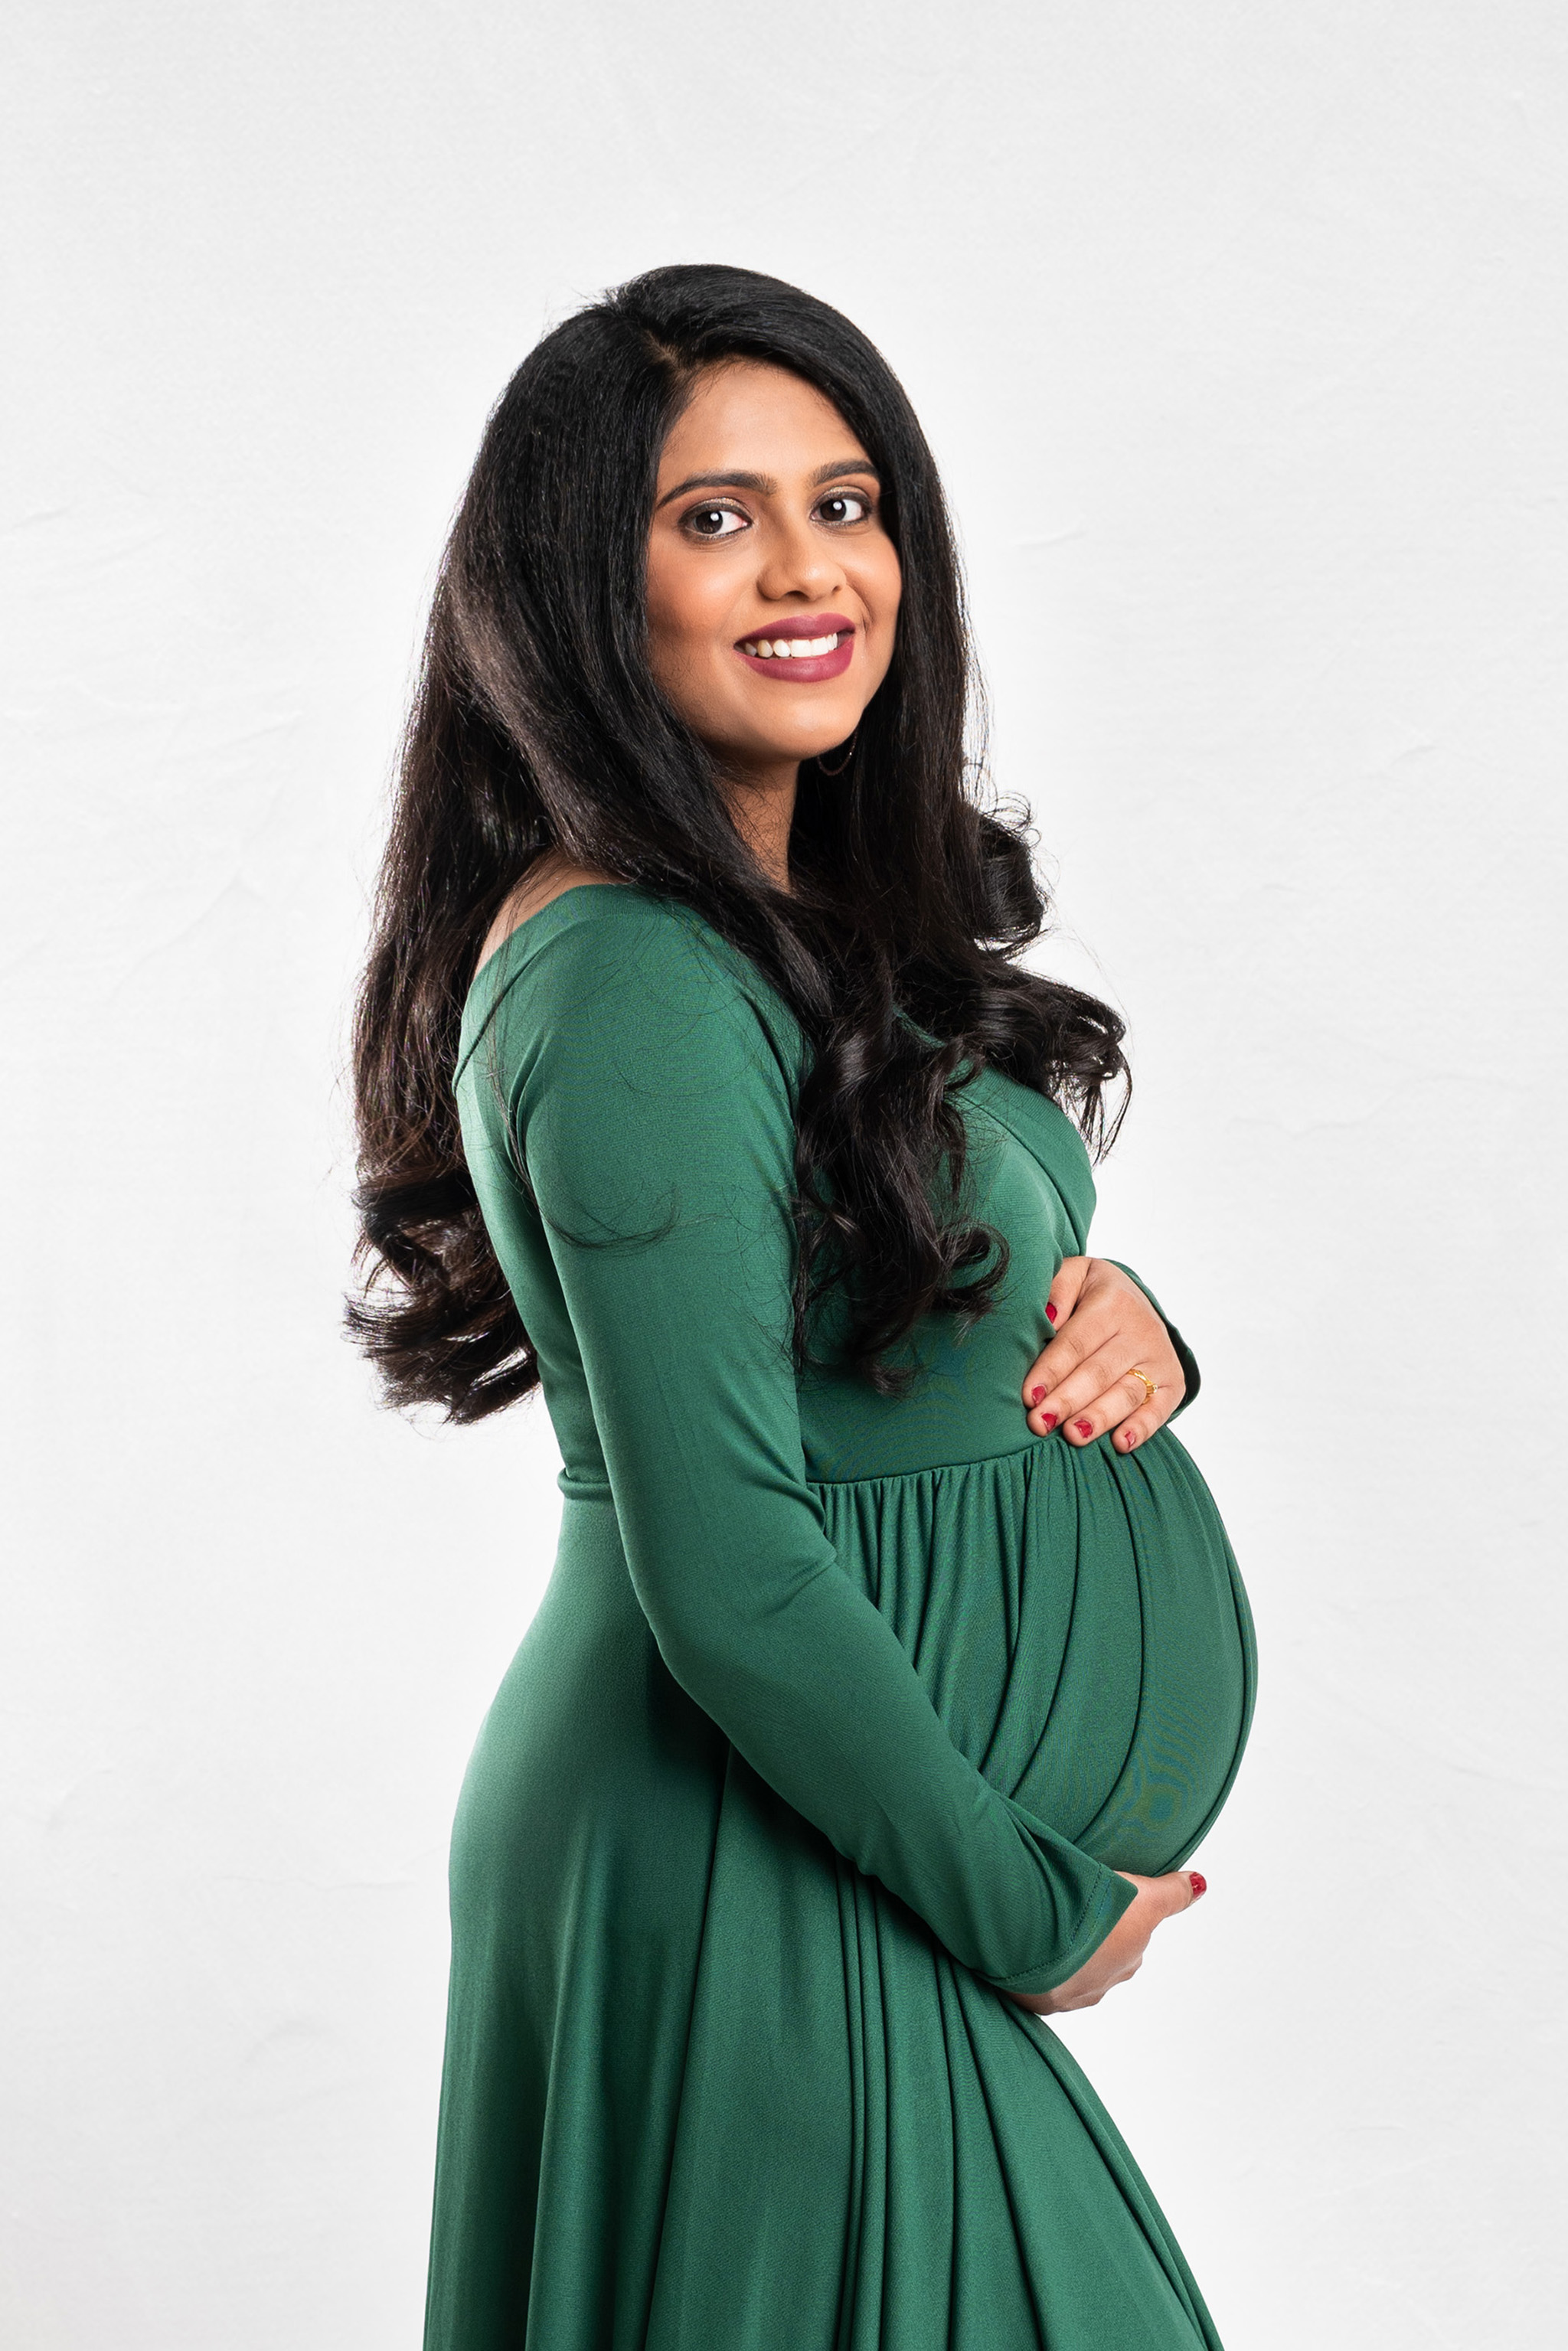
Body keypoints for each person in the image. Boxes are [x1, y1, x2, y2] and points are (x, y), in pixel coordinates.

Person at [349, 263, 1256, 2351]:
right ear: (588, 587)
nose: (804, 569)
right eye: (712, 516)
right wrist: (1036, 1912)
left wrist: (1135, 1333)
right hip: (743, 1839)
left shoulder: (794, 930)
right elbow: (739, 1563)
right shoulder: (628, 971)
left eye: (847, 505)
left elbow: (912, 1292)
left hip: (849, 1839)